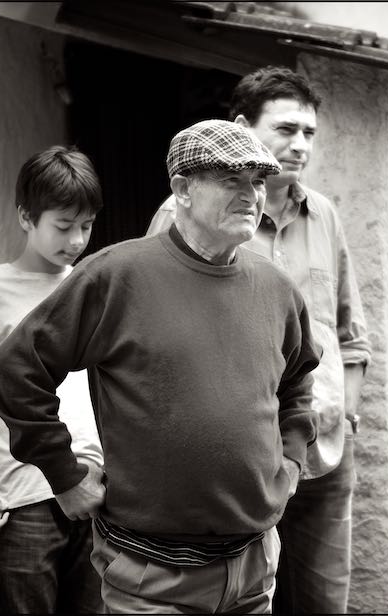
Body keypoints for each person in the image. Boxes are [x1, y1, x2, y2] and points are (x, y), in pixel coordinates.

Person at [0, 119, 322, 614]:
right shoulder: (116, 275)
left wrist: (293, 460)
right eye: (231, 179)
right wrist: (63, 472)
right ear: (183, 189)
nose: (251, 193)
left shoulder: (276, 288)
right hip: (151, 577)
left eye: (257, 180)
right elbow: (18, 367)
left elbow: (297, 383)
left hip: (254, 566)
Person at [147, 66, 371, 615]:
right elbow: (153, 335)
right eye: (286, 129)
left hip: (321, 452)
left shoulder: (325, 217)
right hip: (237, 462)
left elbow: (350, 333)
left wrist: (347, 413)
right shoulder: (187, 214)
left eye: (310, 133)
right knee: (246, 601)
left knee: (323, 603)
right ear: (243, 126)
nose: (300, 145)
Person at [0, 146, 106, 614]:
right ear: (26, 217)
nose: (76, 240)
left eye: (87, 226)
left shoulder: (92, 286)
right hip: (24, 498)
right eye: (63, 225)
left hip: (97, 495)